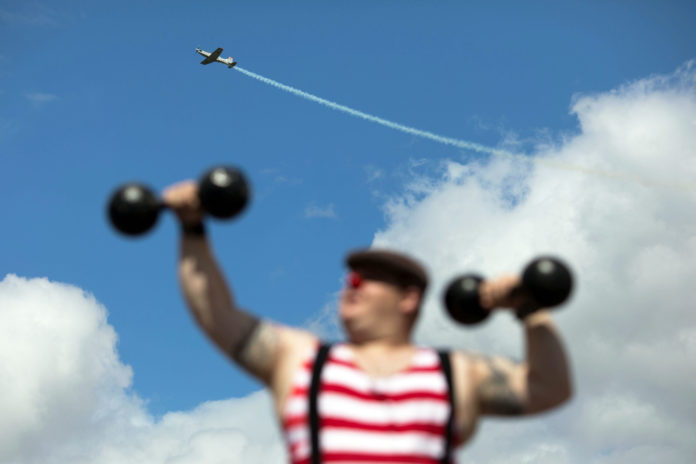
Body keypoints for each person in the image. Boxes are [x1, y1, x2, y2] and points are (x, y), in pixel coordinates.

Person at [163, 181, 573, 463]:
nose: (351, 287)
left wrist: (529, 306)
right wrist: (192, 229)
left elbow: (549, 388)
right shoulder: (301, 361)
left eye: (367, 280)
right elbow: (216, 314)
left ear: (408, 298)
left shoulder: (455, 374)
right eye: (348, 279)